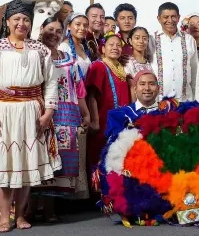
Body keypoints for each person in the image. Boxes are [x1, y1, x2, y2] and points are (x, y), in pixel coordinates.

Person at [0, 0, 61, 233]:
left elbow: (51, 82)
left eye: (26, 19)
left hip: (32, 112)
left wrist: (48, 112)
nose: (22, 23)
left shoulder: (40, 50)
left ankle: (20, 215)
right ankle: (4, 218)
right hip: (3, 112)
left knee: (25, 167)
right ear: (7, 22)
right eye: (17, 19)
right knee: (5, 166)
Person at [31, 17, 90, 219]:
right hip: (40, 114)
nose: (54, 34)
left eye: (58, 31)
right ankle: (29, 208)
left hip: (67, 115)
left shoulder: (69, 59)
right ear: (41, 29)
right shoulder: (33, 55)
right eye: (50, 29)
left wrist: (85, 113)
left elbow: (78, 88)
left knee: (59, 161)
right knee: (37, 159)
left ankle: (50, 208)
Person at [85, 33, 131, 176]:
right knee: (100, 163)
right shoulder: (99, 66)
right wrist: (95, 121)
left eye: (118, 45)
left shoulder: (121, 69)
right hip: (103, 124)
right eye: (111, 45)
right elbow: (91, 95)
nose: (115, 48)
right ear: (103, 49)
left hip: (119, 124)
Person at [105, 70, 179, 142]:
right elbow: (114, 145)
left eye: (151, 84)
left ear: (158, 88)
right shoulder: (120, 115)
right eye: (142, 84)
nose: (147, 88)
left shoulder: (169, 110)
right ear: (135, 89)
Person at [151, 2, 198, 101]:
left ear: (178, 17)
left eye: (173, 16)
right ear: (159, 18)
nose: (170, 20)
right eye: (165, 17)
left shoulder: (189, 39)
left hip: (185, 101)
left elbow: (195, 72)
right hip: (158, 101)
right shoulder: (151, 39)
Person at [59, 13, 91, 82]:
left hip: (84, 87)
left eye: (85, 25)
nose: (82, 28)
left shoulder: (82, 46)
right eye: (78, 24)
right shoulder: (63, 47)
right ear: (69, 26)